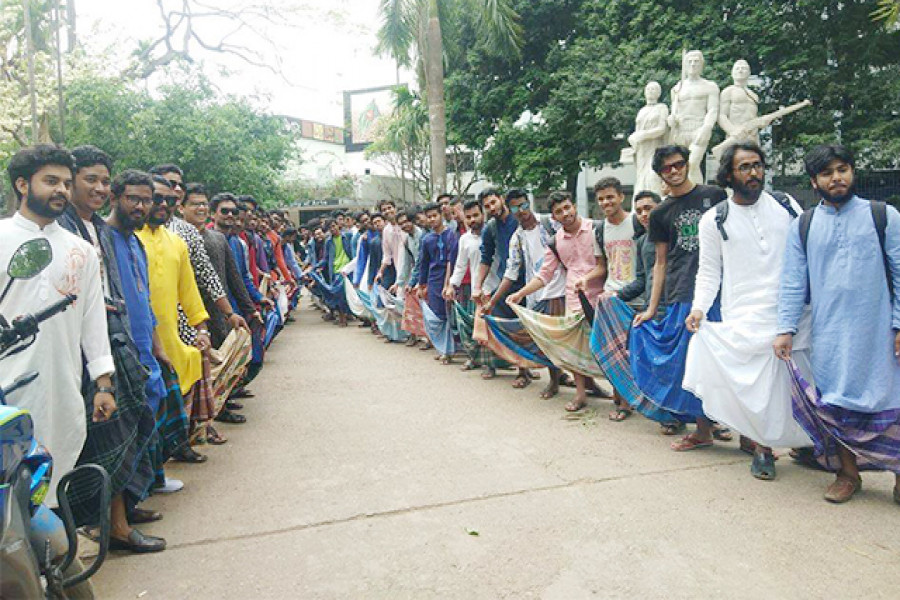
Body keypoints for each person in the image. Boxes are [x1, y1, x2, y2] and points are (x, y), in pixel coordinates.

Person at [775, 144, 900, 505]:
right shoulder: (804, 225)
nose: (837, 178)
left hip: (879, 334)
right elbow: (793, 281)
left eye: (842, 169)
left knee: (891, 403)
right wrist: (785, 328)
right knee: (836, 406)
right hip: (830, 336)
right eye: (828, 173)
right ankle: (848, 475)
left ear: (852, 172)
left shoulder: (884, 216)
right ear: (815, 182)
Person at [683, 143, 811, 479]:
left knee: (797, 382)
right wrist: (699, 308)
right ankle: (762, 449)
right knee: (756, 388)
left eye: (757, 165)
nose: (754, 173)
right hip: (745, 310)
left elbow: (806, 250)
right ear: (728, 174)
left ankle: (806, 444)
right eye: (744, 167)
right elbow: (709, 270)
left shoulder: (785, 205)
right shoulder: (714, 219)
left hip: (791, 307)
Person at [0, 145, 115, 511]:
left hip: (63, 385)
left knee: (55, 469)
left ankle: (48, 560)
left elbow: (93, 321)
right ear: (22, 184)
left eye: (66, 183)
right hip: (8, 386)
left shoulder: (81, 250)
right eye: (51, 181)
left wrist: (103, 382)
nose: (62, 190)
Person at [57, 147, 161, 550]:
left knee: (128, 428)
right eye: (89, 180)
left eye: (104, 180)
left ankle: (117, 518)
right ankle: (108, 528)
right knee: (102, 439)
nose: (99, 188)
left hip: (111, 343)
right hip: (75, 351)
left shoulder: (98, 230)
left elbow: (113, 293)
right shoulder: (60, 230)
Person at [631, 145, 730, 451]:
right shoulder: (660, 212)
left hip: (723, 291)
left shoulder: (714, 196)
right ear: (660, 173)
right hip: (682, 291)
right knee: (692, 363)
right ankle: (703, 429)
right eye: (667, 168)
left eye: (678, 165)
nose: (674, 171)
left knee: (729, 361)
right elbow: (660, 262)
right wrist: (651, 308)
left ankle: (749, 435)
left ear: (687, 164)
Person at [104, 169, 175, 551]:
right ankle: (115, 527)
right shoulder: (100, 238)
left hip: (144, 351)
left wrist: (158, 346)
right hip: (116, 354)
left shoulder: (136, 244)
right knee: (120, 438)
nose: (141, 206)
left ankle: (129, 507)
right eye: (133, 198)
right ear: (115, 197)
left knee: (143, 431)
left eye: (146, 200)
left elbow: (144, 300)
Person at [136, 175, 214, 461]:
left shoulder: (176, 242)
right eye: (158, 199)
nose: (164, 205)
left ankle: (177, 446)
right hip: (139, 338)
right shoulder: (129, 238)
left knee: (180, 385)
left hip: (171, 335)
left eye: (170, 201)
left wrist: (201, 327)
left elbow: (188, 289)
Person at [507, 192, 605, 412]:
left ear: (574, 206)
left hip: (602, 297)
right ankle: (580, 395)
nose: (565, 213)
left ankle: (621, 398)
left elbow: (605, 263)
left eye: (567, 207)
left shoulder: (596, 228)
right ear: (554, 216)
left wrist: (589, 280)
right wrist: (520, 293)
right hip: (574, 299)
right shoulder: (555, 241)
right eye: (559, 211)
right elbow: (544, 274)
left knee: (607, 347)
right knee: (574, 348)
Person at [488, 191, 565, 398]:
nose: (520, 212)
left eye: (522, 205)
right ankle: (554, 381)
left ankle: (587, 383)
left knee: (572, 338)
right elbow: (511, 271)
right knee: (546, 340)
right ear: (510, 210)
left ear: (528, 203)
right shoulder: (518, 237)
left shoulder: (550, 223)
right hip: (537, 294)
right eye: (514, 208)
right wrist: (494, 300)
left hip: (564, 290)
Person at [444, 199, 502, 377]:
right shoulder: (465, 239)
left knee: (496, 329)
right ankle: (483, 362)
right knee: (476, 328)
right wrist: (452, 285)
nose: (472, 220)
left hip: (497, 288)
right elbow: (461, 265)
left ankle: (515, 366)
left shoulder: (494, 233)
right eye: (468, 217)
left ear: (483, 214)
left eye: (476, 215)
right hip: (477, 290)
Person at [415, 203, 458, 363]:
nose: (432, 219)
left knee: (450, 315)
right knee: (438, 316)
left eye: (435, 215)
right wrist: (421, 285)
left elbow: (452, 260)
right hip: (433, 281)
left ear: (441, 215)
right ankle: (444, 350)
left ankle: (452, 349)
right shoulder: (426, 240)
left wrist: (450, 283)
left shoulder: (451, 235)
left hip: (450, 279)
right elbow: (423, 263)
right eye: (429, 216)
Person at [394, 207, 426, 347]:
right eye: (401, 224)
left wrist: (414, 281)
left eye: (406, 221)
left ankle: (428, 338)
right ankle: (413, 334)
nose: (404, 225)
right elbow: (407, 263)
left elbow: (421, 260)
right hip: (417, 274)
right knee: (410, 305)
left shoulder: (421, 235)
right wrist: (399, 283)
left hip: (426, 275)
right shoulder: (407, 239)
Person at [376, 200, 403, 289]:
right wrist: (380, 272)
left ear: (395, 208)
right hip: (399, 269)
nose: (387, 211)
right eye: (384, 210)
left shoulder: (405, 225)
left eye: (389, 208)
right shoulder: (386, 231)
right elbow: (387, 255)